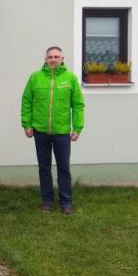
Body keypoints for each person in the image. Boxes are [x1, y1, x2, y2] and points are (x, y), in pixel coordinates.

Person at [21, 46, 85, 215]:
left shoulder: (70, 78)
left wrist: (77, 128)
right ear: (45, 59)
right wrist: (27, 124)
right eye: (50, 57)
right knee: (44, 167)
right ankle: (47, 201)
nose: (53, 59)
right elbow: (26, 101)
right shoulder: (35, 78)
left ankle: (66, 202)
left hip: (62, 131)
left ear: (62, 59)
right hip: (40, 130)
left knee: (64, 168)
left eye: (57, 57)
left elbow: (78, 105)